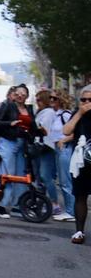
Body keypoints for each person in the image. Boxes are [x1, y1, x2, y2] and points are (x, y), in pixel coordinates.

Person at [0, 85, 31, 219]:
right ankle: (2, 205)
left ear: (27, 96)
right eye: (18, 93)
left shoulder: (29, 109)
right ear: (14, 95)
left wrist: (39, 131)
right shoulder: (8, 106)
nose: (20, 95)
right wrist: (10, 123)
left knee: (21, 176)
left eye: (23, 93)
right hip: (8, 142)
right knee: (7, 175)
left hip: (22, 144)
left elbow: (32, 125)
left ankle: (17, 205)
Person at [60, 85, 91, 244]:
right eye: (83, 99)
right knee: (80, 196)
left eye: (90, 100)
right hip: (81, 163)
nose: (86, 102)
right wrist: (79, 113)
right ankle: (79, 231)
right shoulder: (77, 115)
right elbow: (66, 131)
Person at [33, 91, 65, 219]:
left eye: (39, 100)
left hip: (46, 147)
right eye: (36, 100)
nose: (37, 102)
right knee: (40, 178)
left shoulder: (48, 112)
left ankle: (54, 203)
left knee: (45, 176)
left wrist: (32, 126)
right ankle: (43, 203)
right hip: (40, 147)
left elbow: (43, 128)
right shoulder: (42, 112)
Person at [49, 92, 76, 222]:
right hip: (58, 148)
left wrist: (63, 140)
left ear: (61, 100)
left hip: (65, 148)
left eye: (54, 98)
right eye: (50, 97)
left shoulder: (66, 114)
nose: (51, 100)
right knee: (63, 181)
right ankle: (69, 210)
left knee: (66, 181)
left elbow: (75, 132)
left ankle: (71, 212)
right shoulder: (56, 114)